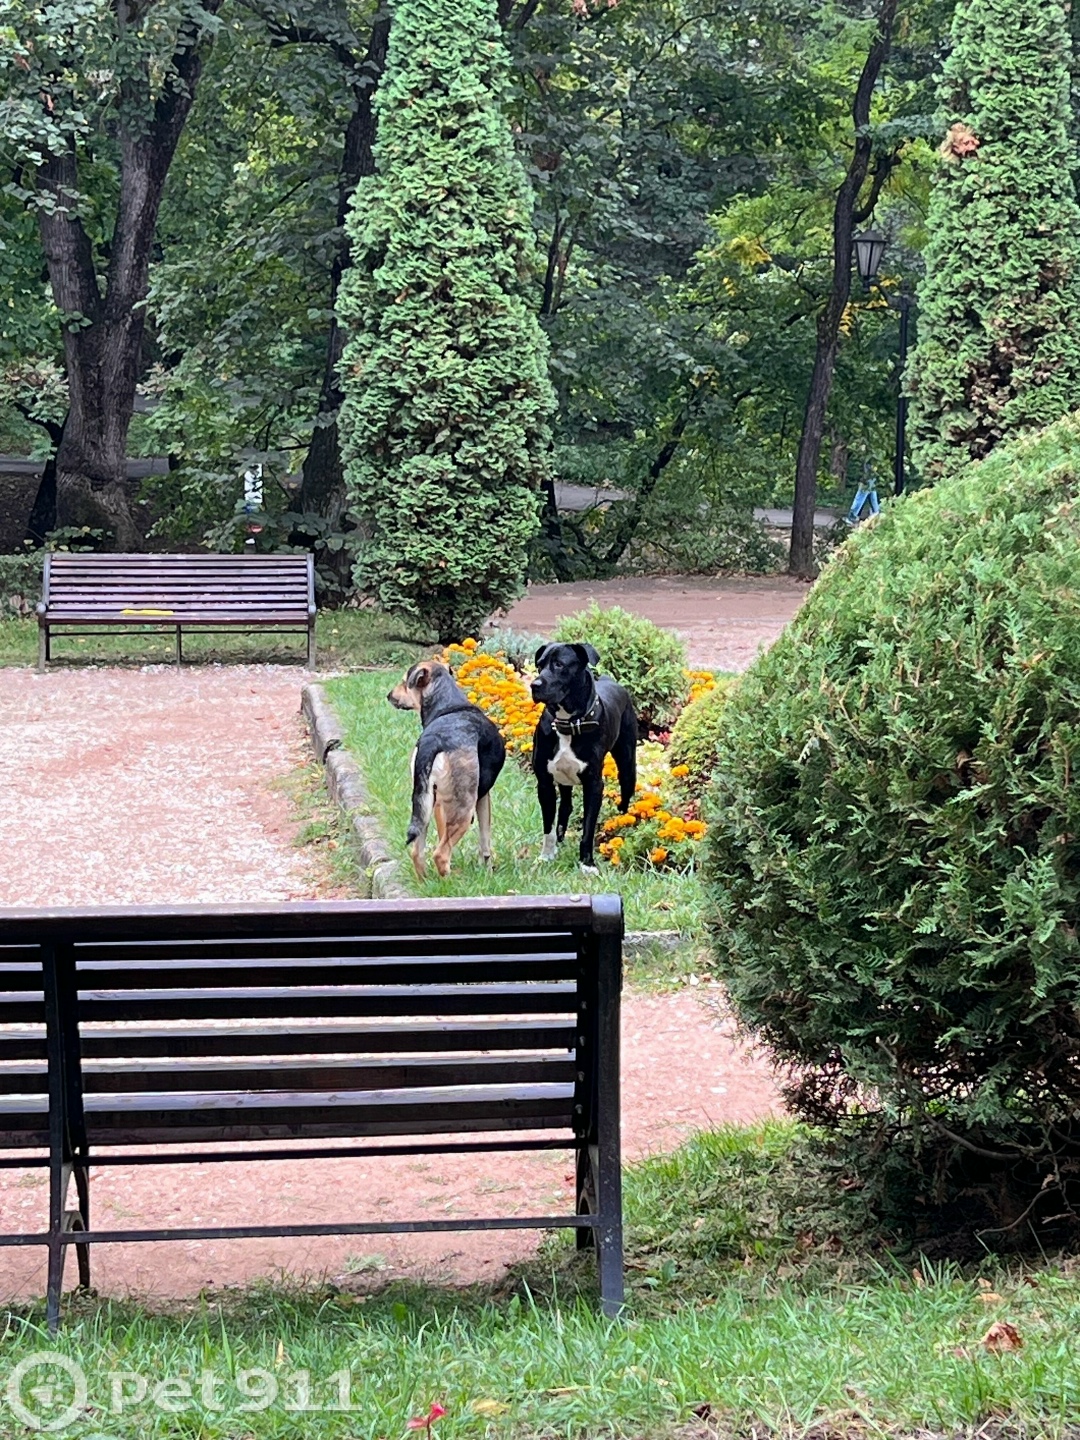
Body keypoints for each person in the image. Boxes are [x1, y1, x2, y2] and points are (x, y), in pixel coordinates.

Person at [846, 459, 880, 524]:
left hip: (870, 466)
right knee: (871, 491)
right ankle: (876, 514)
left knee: (863, 492)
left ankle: (852, 516)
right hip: (872, 465)